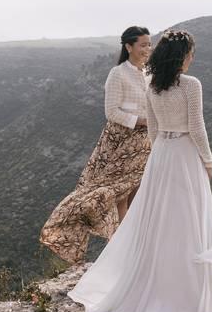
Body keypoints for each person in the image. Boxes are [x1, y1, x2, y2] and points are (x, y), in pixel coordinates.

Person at [68, 29, 212, 312]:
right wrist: (207, 160)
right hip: (183, 154)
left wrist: (160, 156)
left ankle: (154, 283)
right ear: (183, 56)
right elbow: (197, 128)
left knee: (159, 220)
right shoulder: (191, 86)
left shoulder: (153, 85)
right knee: (186, 219)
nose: (192, 58)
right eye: (191, 53)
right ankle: (187, 292)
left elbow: (154, 130)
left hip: (161, 156)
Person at [39, 26, 153, 264]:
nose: (147, 49)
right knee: (117, 193)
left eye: (149, 44)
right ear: (128, 46)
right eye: (143, 45)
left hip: (144, 142)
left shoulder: (149, 72)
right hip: (120, 141)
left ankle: (130, 248)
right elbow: (111, 111)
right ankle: (121, 251)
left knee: (135, 192)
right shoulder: (118, 73)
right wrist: (139, 120)